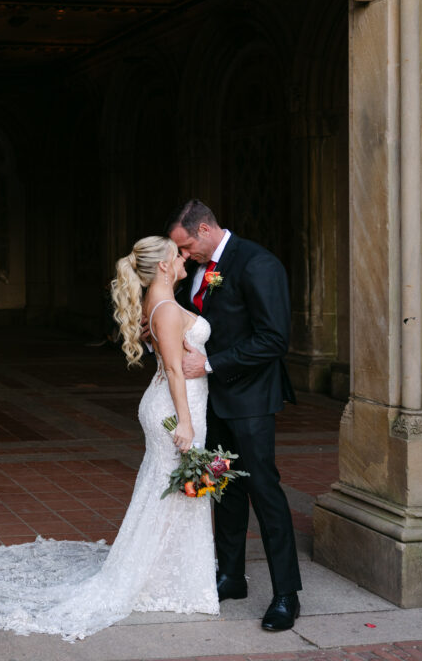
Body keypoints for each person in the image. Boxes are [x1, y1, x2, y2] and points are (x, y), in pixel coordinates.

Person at [0, 235, 219, 640]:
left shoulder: (157, 306)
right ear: (162, 266)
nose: (183, 260)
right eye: (177, 256)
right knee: (171, 493)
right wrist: (187, 423)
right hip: (176, 408)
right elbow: (177, 371)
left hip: (168, 404)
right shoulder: (168, 310)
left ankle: (164, 577)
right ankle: (161, 581)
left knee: (166, 492)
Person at [167, 199, 302, 632]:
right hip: (213, 399)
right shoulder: (201, 269)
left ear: (205, 229)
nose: (185, 257)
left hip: (251, 402)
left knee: (264, 490)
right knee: (221, 486)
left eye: (187, 247)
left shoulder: (258, 263)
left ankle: (286, 594)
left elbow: (273, 339)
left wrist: (209, 365)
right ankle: (231, 576)